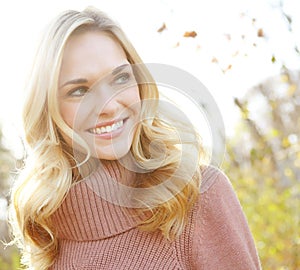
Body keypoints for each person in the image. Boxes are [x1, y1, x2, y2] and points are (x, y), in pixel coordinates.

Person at [9, 6, 261, 270]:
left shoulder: (198, 197)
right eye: (80, 90)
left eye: (120, 78)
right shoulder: (47, 235)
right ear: (48, 109)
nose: (109, 105)